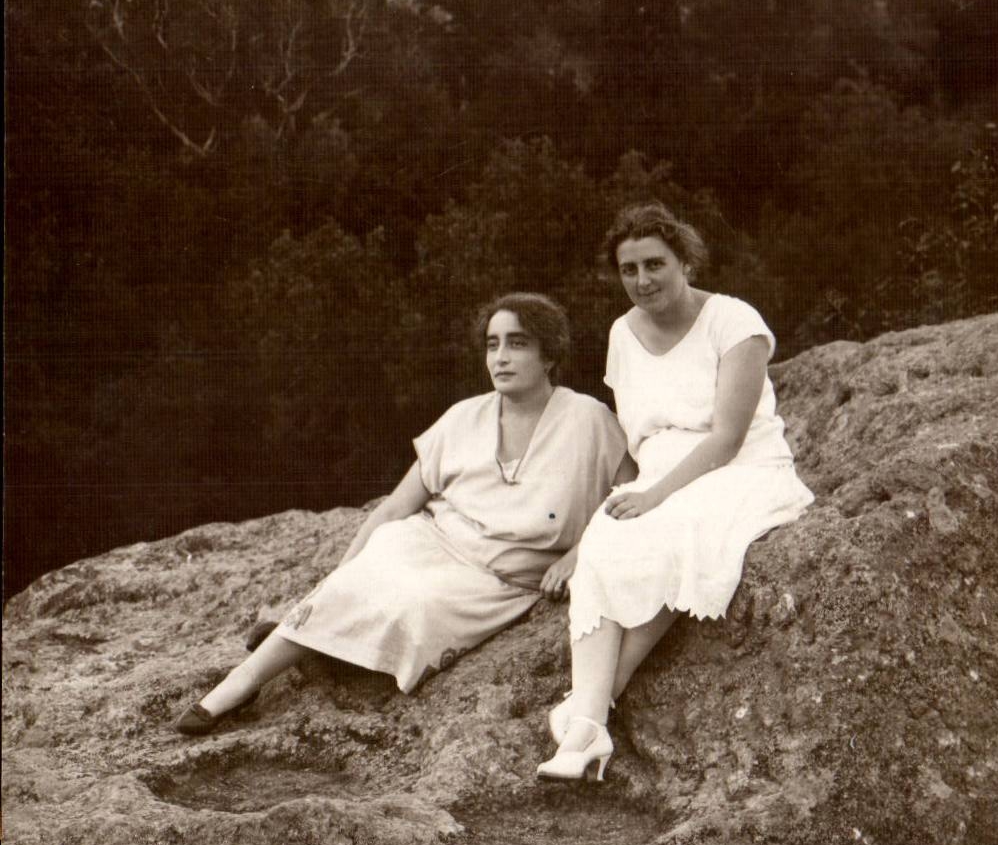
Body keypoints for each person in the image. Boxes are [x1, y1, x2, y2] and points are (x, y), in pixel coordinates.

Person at [175, 292, 630, 733]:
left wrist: (579, 555)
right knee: (364, 578)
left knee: (416, 605)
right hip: (431, 540)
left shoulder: (588, 419)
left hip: (498, 581)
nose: (501, 357)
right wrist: (337, 577)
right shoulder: (463, 417)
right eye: (493, 345)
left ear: (549, 355)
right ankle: (244, 681)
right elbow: (397, 504)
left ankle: (319, 643)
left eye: (518, 343)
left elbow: (633, 494)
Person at [536, 203, 813, 783]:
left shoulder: (734, 322)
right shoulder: (621, 332)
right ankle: (591, 724)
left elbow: (729, 437)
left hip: (739, 468)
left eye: (655, 264)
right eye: (629, 269)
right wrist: (625, 501)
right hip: (657, 474)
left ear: (685, 260)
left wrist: (657, 496)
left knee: (679, 535)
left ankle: (588, 711)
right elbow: (636, 440)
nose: (642, 280)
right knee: (609, 543)